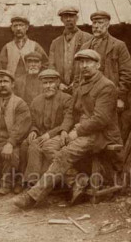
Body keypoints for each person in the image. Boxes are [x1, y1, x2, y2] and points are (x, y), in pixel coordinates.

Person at [13, 49, 122, 209]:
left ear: (98, 65)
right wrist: (65, 130)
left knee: (64, 153)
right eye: (82, 62)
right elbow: (71, 112)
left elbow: (101, 119)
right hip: (81, 131)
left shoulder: (106, 86)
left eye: (89, 62)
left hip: (101, 134)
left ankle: (33, 195)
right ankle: (76, 180)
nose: (84, 66)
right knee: (47, 145)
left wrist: (76, 131)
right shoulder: (81, 84)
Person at [21, 69, 72, 184]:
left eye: (51, 82)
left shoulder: (66, 99)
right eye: (45, 83)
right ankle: (26, 180)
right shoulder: (36, 101)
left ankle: (32, 183)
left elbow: (67, 122)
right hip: (42, 135)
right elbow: (33, 122)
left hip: (59, 135)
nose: (48, 86)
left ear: (58, 83)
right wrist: (33, 130)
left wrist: (49, 134)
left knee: (35, 145)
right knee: (25, 144)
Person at [81, 11, 131, 113]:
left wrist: (120, 97)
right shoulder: (85, 47)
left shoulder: (118, 45)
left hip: (111, 96)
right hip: (89, 95)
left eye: (100, 23)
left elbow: (127, 73)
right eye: (94, 23)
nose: (96, 26)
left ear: (107, 24)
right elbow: (79, 74)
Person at [49, 6, 92, 92]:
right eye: (65, 17)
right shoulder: (55, 43)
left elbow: (92, 64)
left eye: (71, 16)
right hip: (61, 89)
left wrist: (78, 82)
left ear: (77, 18)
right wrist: (58, 83)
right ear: (62, 20)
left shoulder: (88, 38)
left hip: (82, 87)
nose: (68, 19)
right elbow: (51, 66)